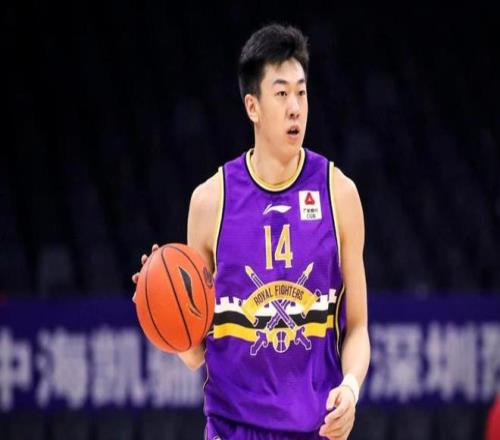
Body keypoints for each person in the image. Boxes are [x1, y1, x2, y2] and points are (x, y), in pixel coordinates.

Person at [133, 24, 370, 440]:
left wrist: (350, 389)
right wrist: (163, 304)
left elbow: (359, 328)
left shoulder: (339, 194)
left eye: (301, 93)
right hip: (233, 430)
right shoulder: (210, 202)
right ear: (252, 107)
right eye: (281, 94)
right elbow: (195, 353)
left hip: (316, 429)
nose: (295, 107)